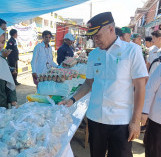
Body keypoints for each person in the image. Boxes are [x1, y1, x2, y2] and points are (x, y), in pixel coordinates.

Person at [59, 12, 148, 157]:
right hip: (96, 119)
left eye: (97, 36)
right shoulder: (94, 55)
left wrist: (135, 120)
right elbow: (89, 83)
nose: (95, 40)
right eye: (92, 37)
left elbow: (140, 87)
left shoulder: (132, 51)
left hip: (121, 121)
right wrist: (72, 100)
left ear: (111, 29)